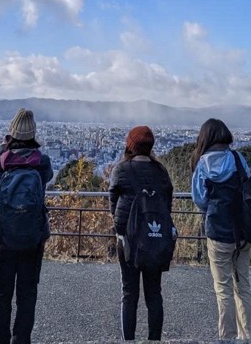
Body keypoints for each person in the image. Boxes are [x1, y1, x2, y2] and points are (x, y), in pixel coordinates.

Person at [0, 108, 53, 344]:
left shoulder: (1, 162)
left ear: (11, 133)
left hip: (3, 235)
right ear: (34, 134)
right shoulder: (42, 162)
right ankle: (21, 340)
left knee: (2, 293)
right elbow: (47, 179)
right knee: (27, 294)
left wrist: (3, 150)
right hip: (33, 236)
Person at [191, 118, 251, 342]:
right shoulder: (238, 159)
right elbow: (250, 189)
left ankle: (226, 338)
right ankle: (246, 337)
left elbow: (199, 199)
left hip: (218, 232)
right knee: (243, 285)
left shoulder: (203, 164)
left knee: (223, 288)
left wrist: (214, 210)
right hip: (243, 232)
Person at [109, 125, 174, 342]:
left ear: (130, 145)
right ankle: (154, 339)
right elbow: (167, 204)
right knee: (154, 293)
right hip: (154, 238)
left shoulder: (121, 169)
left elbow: (113, 202)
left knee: (129, 293)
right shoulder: (161, 171)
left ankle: (129, 340)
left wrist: (121, 227)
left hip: (127, 239)